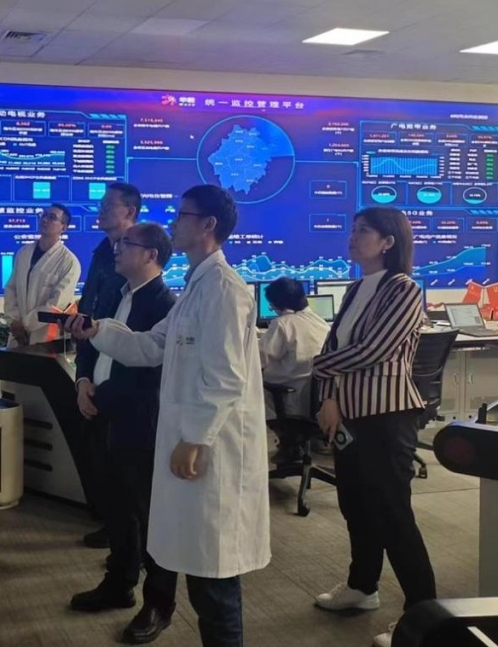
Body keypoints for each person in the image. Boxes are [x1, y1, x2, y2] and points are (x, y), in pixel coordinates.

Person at [70, 185, 270, 647]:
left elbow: (226, 377)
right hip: (189, 445)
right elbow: (151, 346)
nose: (175, 223)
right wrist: (98, 331)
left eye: (183, 215)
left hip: (210, 451)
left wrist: (195, 437)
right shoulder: (195, 288)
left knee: (214, 583)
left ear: (208, 225)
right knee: (201, 573)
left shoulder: (224, 289)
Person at [311, 208, 435, 647]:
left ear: (387, 242)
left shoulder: (403, 289)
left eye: (363, 231)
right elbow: (334, 344)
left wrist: (317, 366)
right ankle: (362, 587)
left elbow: (373, 351)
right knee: (356, 506)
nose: (352, 236)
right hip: (348, 416)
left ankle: (423, 615)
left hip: (387, 417)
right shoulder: (354, 288)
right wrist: (328, 398)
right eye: (352, 229)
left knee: (392, 515)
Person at [69, 222, 177, 645]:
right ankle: (119, 583)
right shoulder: (116, 291)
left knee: (149, 516)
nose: (117, 248)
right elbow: (89, 340)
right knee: (115, 508)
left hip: (138, 420)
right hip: (101, 410)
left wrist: (104, 395)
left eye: (127, 243)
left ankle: (159, 604)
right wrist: (82, 382)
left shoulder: (166, 305)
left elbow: (147, 367)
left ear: (151, 254)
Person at [77, 182, 141, 549]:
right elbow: (89, 310)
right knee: (98, 451)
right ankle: (109, 520)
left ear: (129, 212)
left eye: (108, 204)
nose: (100, 209)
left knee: (122, 461)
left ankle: (123, 533)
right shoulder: (102, 252)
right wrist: (83, 376)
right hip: (95, 364)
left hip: (123, 373)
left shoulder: (141, 260)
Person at [260, 278, 331, 462]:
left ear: (279, 305)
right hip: (317, 401)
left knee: (251, 386)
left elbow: (260, 358)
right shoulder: (320, 322)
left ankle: (289, 444)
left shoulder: (283, 324)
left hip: (289, 398)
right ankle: (295, 442)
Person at [3, 203, 81, 347]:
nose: (45, 220)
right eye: (44, 215)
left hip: (45, 337)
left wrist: (25, 324)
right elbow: (11, 288)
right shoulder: (24, 253)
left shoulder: (69, 262)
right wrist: (14, 320)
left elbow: (56, 304)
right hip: (17, 333)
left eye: (52, 217)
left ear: (63, 227)